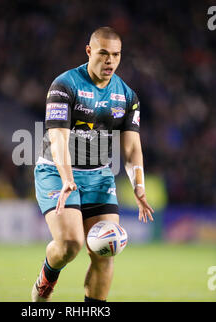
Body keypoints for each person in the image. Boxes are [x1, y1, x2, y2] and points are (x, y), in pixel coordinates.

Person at [32, 26, 154, 302]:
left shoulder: (126, 96)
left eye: (116, 55)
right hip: (55, 171)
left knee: (105, 250)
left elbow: (132, 147)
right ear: (89, 51)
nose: (110, 61)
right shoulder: (65, 85)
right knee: (70, 245)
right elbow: (58, 138)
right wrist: (66, 178)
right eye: (103, 54)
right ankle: (46, 278)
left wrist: (139, 187)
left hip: (99, 176)